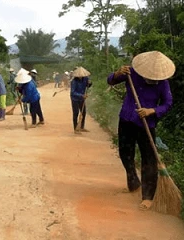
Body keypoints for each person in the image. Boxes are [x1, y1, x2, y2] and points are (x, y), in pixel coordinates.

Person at [107, 51, 175, 210]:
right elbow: (110, 81)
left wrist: (152, 111)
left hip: (147, 124)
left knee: (149, 159)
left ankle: (148, 196)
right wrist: (117, 74)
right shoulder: (131, 73)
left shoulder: (163, 83)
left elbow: (168, 102)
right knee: (125, 152)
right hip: (127, 118)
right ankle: (133, 181)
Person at [70, 66, 92, 134]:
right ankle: (75, 129)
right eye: (79, 75)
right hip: (75, 99)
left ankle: (82, 127)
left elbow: (87, 86)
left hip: (82, 99)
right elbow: (73, 92)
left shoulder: (85, 78)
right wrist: (82, 95)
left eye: (81, 75)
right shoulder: (74, 81)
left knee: (84, 112)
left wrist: (90, 83)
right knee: (75, 113)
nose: (80, 76)